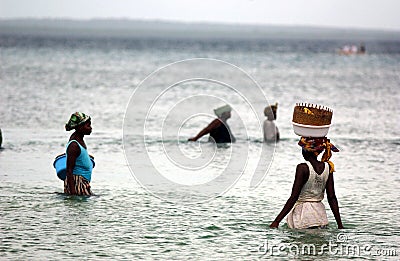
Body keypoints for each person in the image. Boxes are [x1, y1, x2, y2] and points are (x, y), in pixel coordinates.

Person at [270, 137, 343, 229]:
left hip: (303, 215)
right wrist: (340, 225)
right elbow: (332, 197)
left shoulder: (302, 168)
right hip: (320, 216)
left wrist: (276, 221)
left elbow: (294, 197)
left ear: (306, 151)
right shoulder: (328, 167)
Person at [64, 112, 93, 196]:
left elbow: (77, 156)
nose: (91, 128)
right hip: (77, 182)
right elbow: (69, 171)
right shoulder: (74, 145)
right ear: (80, 127)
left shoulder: (79, 140)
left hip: (82, 182)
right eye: (88, 125)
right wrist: (73, 194)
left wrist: (86, 157)